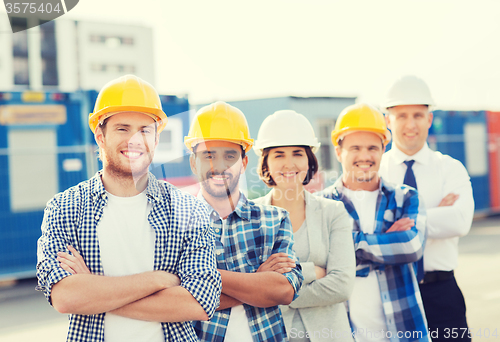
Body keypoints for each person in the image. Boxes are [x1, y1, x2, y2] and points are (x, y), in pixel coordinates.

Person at [36, 75, 221, 342]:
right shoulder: (65, 208)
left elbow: (198, 303)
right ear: (100, 136)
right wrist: (159, 280)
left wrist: (94, 292)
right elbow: (65, 297)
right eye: (122, 128)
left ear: (156, 139)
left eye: (145, 130)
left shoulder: (188, 210)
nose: (134, 140)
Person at [185, 101, 304, 342]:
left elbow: (283, 291)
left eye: (230, 156)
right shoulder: (176, 226)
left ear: (244, 162)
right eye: (208, 155)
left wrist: (202, 277)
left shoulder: (274, 220)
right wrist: (257, 280)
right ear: (193, 163)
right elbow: (174, 301)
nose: (219, 166)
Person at [319, 103, 430, 342]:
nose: (365, 156)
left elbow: (412, 246)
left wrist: (343, 249)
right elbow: (314, 264)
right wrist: (386, 242)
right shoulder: (319, 206)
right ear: (339, 152)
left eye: (372, 148)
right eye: (355, 148)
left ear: (383, 150)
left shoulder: (405, 197)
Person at [380, 75, 474, 341]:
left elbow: (459, 221)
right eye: (402, 116)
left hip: (441, 293)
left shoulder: (450, 168)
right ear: (388, 120)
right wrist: (434, 214)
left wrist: (397, 225)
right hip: (390, 290)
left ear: (430, 119)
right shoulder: (377, 171)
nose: (411, 124)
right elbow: (367, 228)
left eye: (418, 115)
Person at [252, 110, 355, 342]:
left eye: (297, 153)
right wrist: (312, 272)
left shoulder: (333, 212)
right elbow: (247, 284)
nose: (289, 163)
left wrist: (273, 292)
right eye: (279, 155)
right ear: (266, 162)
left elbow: (341, 285)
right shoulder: (250, 216)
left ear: (309, 160)